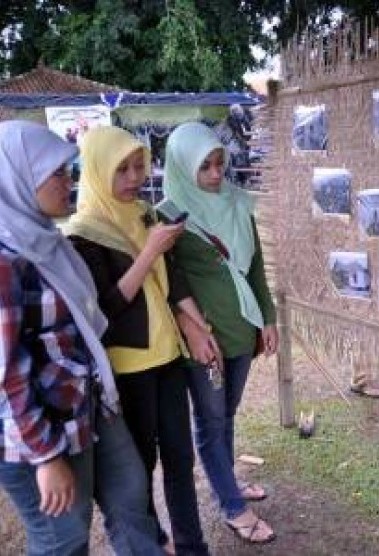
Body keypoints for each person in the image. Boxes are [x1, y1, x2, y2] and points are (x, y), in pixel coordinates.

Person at [0, 120, 163, 555]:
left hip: (88, 407)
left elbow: (84, 323)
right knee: (64, 540)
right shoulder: (6, 260)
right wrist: (46, 457)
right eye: (56, 173)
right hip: (42, 432)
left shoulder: (48, 243)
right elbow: (7, 376)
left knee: (131, 497)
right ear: (20, 177)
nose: (68, 182)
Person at [64, 126, 215, 556]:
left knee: (180, 459)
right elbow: (105, 310)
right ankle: (154, 542)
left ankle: (191, 544)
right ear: (96, 173)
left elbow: (174, 278)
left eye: (138, 167)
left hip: (167, 357)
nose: (134, 178)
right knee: (140, 467)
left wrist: (196, 327)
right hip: (128, 369)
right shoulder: (82, 234)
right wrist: (148, 252)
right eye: (122, 170)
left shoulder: (147, 213)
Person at [160, 122, 276, 544]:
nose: (214, 175)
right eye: (204, 167)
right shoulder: (169, 215)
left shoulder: (237, 202)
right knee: (210, 422)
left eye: (218, 164)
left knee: (225, 414)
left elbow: (256, 267)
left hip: (241, 330)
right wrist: (193, 327)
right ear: (181, 165)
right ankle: (232, 505)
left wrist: (268, 318)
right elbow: (171, 281)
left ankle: (225, 479)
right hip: (203, 339)